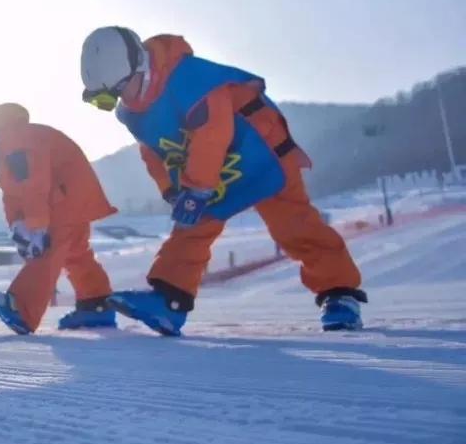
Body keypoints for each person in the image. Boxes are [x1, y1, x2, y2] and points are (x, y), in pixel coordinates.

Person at [80, 26, 367, 334]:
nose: (121, 99)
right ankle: (169, 301)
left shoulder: (188, 77)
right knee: (192, 224)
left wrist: (197, 188)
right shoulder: (134, 113)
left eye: (120, 89)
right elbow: (153, 152)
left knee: (294, 224)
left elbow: (212, 131)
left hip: (262, 148)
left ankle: (340, 294)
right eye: (105, 100)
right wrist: (173, 190)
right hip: (214, 166)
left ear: (142, 66)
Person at [0, 104, 118, 334]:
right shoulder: (4, 153)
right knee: (75, 253)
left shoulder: (13, 141)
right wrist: (18, 226)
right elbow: (13, 196)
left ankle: (21, 308)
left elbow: (33, 183)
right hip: (66, 196)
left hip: (64, 195)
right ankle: (96, 304)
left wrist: (37, 226)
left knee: (49, 248)